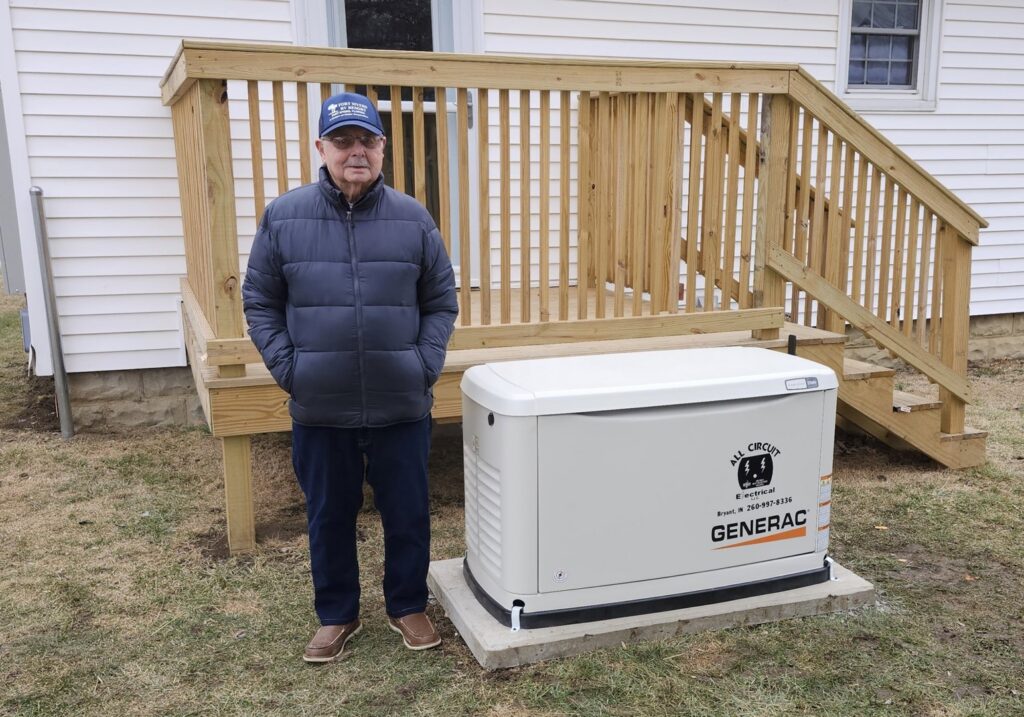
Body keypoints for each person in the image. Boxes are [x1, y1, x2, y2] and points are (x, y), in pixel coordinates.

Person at [242, 91, 458, 662]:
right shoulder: (284, 217)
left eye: (367, 139)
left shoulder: (413, 218)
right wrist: (292, 370)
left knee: (408, 513)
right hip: (321, 405)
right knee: (328, 515)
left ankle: (408, 605)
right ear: (322, 148)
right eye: (342, 141)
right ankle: (336, 615)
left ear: (382, 147)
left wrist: (423, 364)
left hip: (401, 402)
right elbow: (259, 301)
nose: (355, 151)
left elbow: (441, 302)